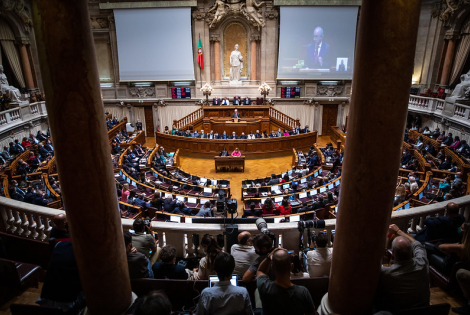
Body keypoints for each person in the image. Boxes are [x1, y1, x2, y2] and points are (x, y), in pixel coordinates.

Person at [375, 224, 430, 313]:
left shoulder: (386, 273)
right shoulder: (422, 263)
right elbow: (417, 244)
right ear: (412, 251)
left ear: (392, 253)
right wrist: (398, 231)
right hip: (423, 312)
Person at [257, 248, 316, 315]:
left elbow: (261, 271)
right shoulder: (303, 292)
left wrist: (269, 257)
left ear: (272, 267)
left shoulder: (265, 287)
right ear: (292, 266)